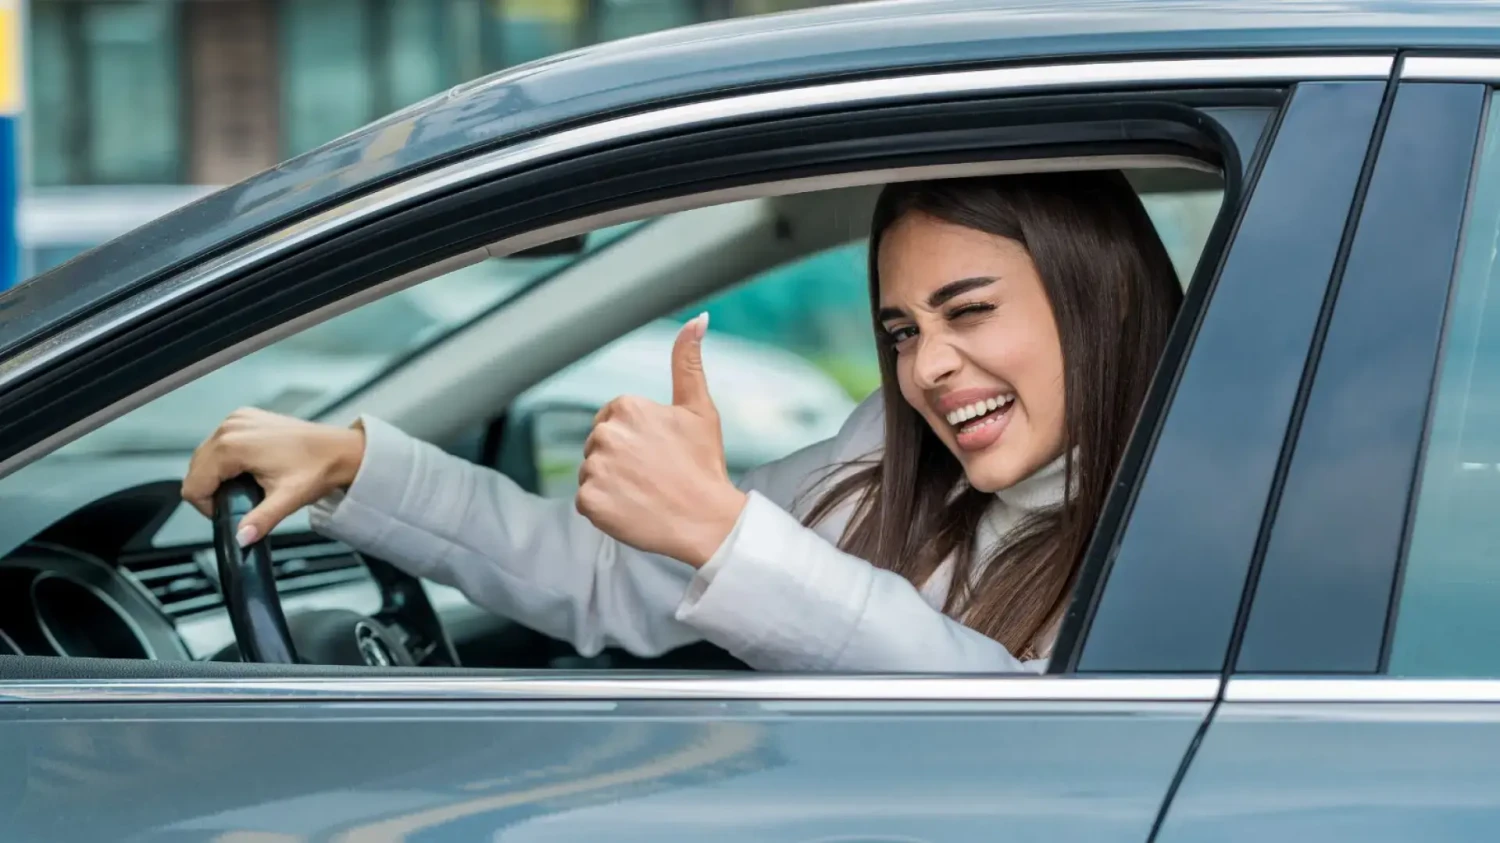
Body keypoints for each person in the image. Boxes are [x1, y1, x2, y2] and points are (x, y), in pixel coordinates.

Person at [182, 170, 1183, 673]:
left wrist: (722, 531)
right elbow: (600, 576)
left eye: (969, 312)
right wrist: (356, 465)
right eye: (901, 330)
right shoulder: (888, 457)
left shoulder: (1225, 513)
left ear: (1105, 298)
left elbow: (1027, 728)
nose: (926, 367)